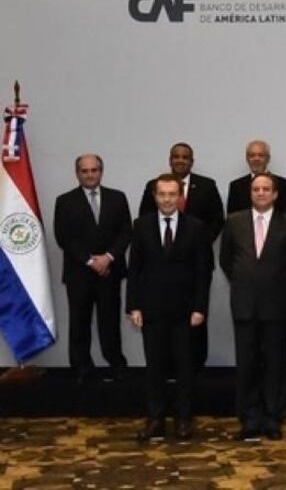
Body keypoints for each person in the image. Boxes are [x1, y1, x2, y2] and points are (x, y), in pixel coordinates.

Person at [127, 174, 212, 442]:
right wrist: (133, 306)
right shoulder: (141, 226)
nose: (167, 199)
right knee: (155, 367)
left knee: (186, 367)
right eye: (162, 194)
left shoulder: (196, 227)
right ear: (155, 196)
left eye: (172, 194)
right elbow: (134, 269)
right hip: (151, 309)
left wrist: (200, 307)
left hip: (185, 311)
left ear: (180, 197)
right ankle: (156, 419)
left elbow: (203, 271)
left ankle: (184, 419)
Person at [220, 173, 286, 441]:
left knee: (275, 363)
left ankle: (273, 417)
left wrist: (277, 285)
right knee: (247, 363)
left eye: (266, 189)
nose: (261, 193)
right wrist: (245, 282)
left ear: (275, 194)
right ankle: (249, 418)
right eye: (256, 189)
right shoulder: (234, 221)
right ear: (250, 193)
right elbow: (226, 260)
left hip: (276, 304)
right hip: (244, 303)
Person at [139, 142, 223, 372]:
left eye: (185, 157)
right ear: (170, 159)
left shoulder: (206, 185)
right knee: (161, 328)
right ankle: (166, 368)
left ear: (192, 161)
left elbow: (217, 219)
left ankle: (196, 366)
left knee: (195, 319)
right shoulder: (153, 186)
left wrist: (198, 243)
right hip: (159, 270)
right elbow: (145, 219)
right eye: (176, 156)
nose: (180, 160)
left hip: (196, 264)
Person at [53, 154, 131, 385]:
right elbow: (63, 237)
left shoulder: (117, 198)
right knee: (79, 322)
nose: (90, 175)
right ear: (77, 173)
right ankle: (81, 367)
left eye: (94, 170)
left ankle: (116, 365)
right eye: (84, 171)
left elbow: (126, 231)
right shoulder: (65, 201)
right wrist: (90, 261)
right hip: (79, 273)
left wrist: (107, 258)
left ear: (101, 171)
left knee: (110, 321)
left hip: (110, 271)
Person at [225, 140, 286, 214]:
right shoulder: (236, 186)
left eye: (261, 155)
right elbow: (232, 217)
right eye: (252, 155)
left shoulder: (283, 184)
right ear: (247, 159)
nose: (256, 159)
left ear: (268, 158)